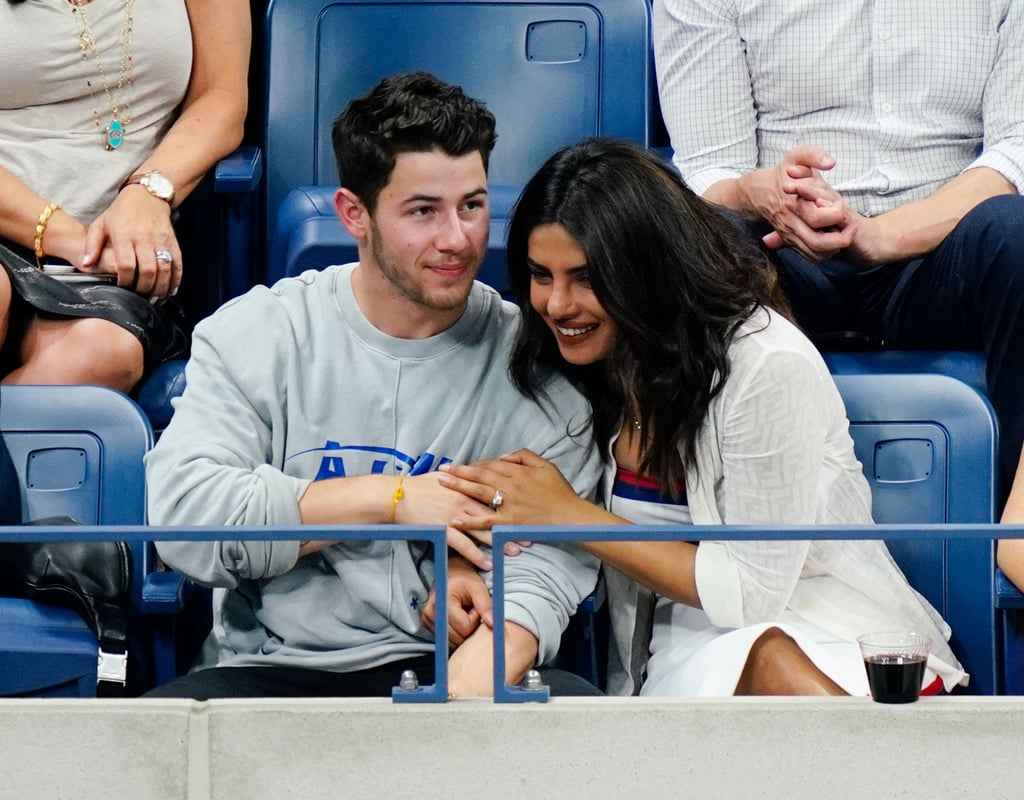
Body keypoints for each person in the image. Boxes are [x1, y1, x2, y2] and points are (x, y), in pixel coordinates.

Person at [437, 138, 967, 697]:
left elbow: (753, 595)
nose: (558, 304)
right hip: (680, 647)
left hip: (824, 632)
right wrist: (458, 565)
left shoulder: (765, 364)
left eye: (588, 277)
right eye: (541, 275)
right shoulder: (573, 360)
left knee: (766, 655)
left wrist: (570, 515)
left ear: (648, 272)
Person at [143, 72, 603, 699]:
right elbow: (187, 520)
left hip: (454, 666)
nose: (457, 239)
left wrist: (473, 674)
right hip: (269, 671)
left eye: (471, 205)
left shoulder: (534, 361)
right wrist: (392, 500)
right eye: (423, 212)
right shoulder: (258, 333)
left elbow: (549, 563)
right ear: (353, 214)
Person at [651, 0, 1024, 512]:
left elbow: (1015, 152)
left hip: (942, 249)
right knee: (699, 240)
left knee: (1016, 230)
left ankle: (1011, 538)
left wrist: (878, 236)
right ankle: (719, 528)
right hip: (780, 252)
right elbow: (707, 171)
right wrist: (762, 192)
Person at [0, 0, 249, 392]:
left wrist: (149, 191)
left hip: (122, 250)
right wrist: (76, 242)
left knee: (103, 355)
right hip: (18, 223)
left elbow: (222, 97)